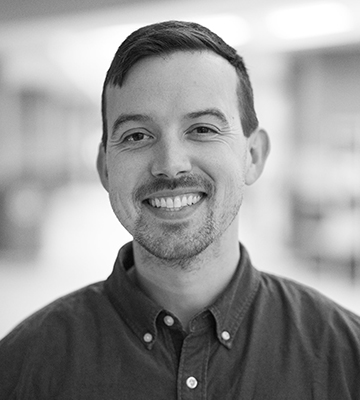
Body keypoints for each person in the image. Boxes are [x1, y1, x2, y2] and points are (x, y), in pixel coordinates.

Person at [0, 20, 359, 399]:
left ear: (253, 156)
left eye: (202, 129)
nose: (170, 165)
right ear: (105, 168)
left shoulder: (345, 358)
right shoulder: (22, 369)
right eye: (137, 136)